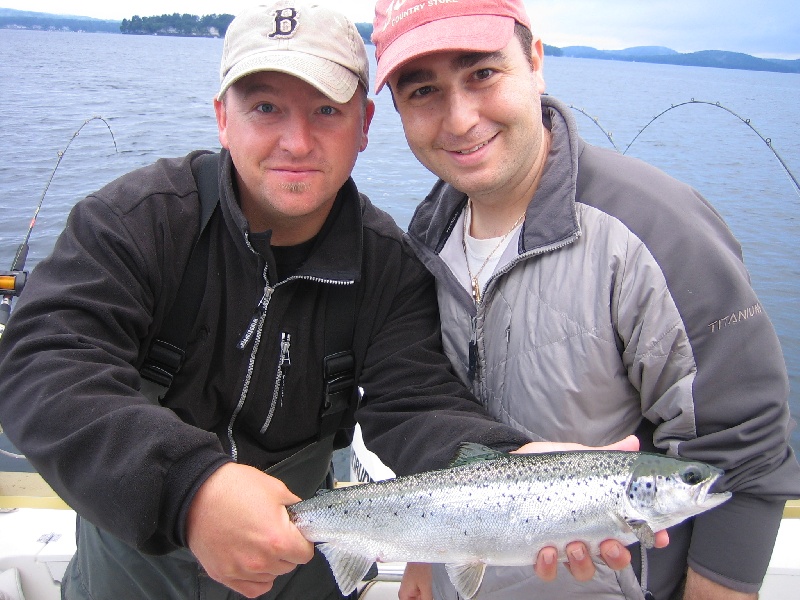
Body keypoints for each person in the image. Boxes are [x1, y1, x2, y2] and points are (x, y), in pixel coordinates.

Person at [0, 3, 645, 599]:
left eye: (326, 111)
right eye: (265, 109)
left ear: (365, 126)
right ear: (223, 116)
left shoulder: (387, 266)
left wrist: (512, 472)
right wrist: (191, 492)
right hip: (134, 549)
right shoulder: (136, 220)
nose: (298, 142)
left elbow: (416, 403)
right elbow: (43, 366)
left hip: (305, 553)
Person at [370, 1, 800, 599]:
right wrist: (422, 554)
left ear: (535, 60)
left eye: (482, 74)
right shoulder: (423, 238)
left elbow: (744, 450)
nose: (460, 119)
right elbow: (421, 409)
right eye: (422, 92)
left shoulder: (659, 229)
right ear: (396, 108)